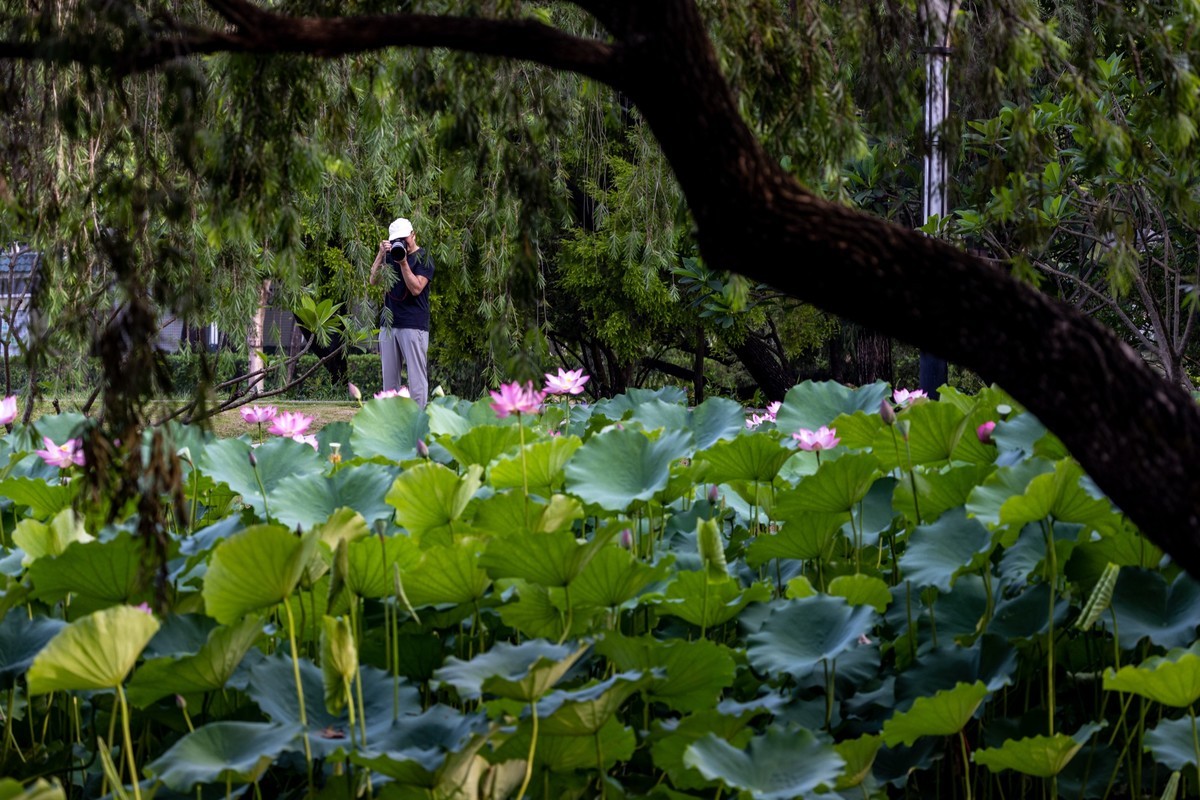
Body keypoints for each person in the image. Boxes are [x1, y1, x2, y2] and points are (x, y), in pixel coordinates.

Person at [369, 217, 435, 407]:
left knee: (416, 381)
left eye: (404, 238)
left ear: (413, 235)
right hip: (389, 325)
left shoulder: (424, 258)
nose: (401, 243)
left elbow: (416, 288)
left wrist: (403, 262)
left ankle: (418, 423)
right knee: (389, 383)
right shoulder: (390, 255)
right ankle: (391, 424)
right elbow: (373, 280)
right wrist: (381, 255)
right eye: (396, 239)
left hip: (414, 325)